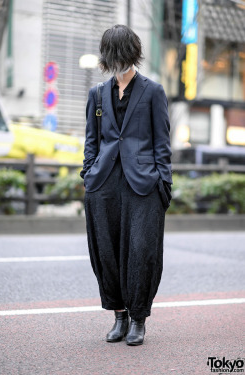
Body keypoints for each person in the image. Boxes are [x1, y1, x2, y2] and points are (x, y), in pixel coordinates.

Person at [80, 24, 172, 346]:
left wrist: (165, 185)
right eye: (111, 55)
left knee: (142, 251)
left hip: (144, 184)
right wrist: (88, 175)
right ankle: (118, 315)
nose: (116, 61)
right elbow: (92, 140)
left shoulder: (153, 91)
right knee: (106, 251)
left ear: (131, 54)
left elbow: (162, 142)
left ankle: (138, 319)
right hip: (103, 183)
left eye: (121, 54)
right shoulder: (97, 93)